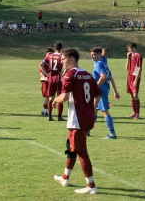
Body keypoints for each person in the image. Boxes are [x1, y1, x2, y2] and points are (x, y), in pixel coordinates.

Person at [52, 48, 101, 194]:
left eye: (63, 59)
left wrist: (54, 99)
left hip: (77, 119)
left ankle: (91, 186)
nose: (61, 62)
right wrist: (91, 110)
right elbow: (97, 95)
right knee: (71, 146)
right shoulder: (87, 74)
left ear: (72, 60)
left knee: (81, 151)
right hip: (85, 117)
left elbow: (65, 96)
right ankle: (65, 177)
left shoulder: (70, 75)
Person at [91, 47, 120, 139]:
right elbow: (110, 77)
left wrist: (96, 86)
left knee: (104, 112)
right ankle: (87, 130)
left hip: (100, 92)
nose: (92, 57)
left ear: (100, 54)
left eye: (94, 55)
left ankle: (112, 134)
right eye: (91, 55)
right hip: (103, 90)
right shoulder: (104, 63)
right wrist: (115, 91)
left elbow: (103, 76)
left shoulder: (99, 64)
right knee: (93, 110)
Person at [41, 42, 65, 121]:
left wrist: (46, 74)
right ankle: (59, 116)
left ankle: (49, 116)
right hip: (59, 78)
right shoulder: (61, 56)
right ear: (61, 48)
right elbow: (65, 67)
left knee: (51, 97)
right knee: (60, 97)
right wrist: (63, 73)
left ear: (54, 48)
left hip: (51, 77)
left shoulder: (49, 56)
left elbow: (41, 64)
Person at [126, 43, 143, 120]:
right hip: (129, 76)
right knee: (131, 95)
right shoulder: (129, 56)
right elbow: (126, 67)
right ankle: (133, 112)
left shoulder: (138, 56)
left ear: (134, 48)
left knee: (135, 95)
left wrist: (136, 79)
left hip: (134, 77)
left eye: (130, 48)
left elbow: (139, 68)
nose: (128, 50)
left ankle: (137, 114)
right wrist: (127, 58)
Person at [40, 48, 54, 116]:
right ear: (46, 54)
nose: (50, 54)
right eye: (49, 53)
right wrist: (45, 77)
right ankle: (45, 111)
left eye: (51, 53)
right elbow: (40, 72)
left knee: (50, 96)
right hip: (45, 80)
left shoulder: (52, 61)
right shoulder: (43, 61)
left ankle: (45, 110)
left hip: (51, 80)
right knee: (47, 96)